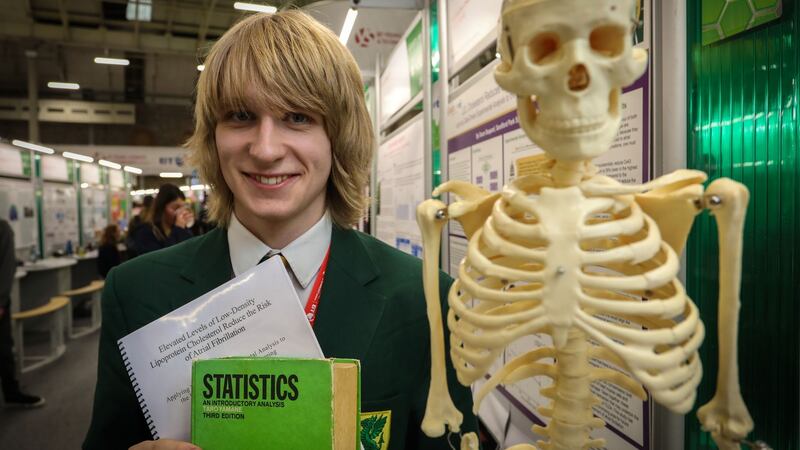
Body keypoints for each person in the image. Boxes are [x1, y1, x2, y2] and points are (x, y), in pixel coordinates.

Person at [84, 10, 476, 450]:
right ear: (213, 136)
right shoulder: (136, 292)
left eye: (297, 117)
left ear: (339, 136)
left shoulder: (423, 299)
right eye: (240, 115)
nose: (265, 149)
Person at [0, 219, 45, 408]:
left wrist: (1, 301)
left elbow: (6, 267)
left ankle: (11, 392)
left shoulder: (2, 229)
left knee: (3, 350)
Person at [130, 184, 195, 255]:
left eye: (183, 207)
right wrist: (179, 229)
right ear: (162, 208)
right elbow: (164, 257)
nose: (180, 212)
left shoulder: (183, 229)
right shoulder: (146, 232)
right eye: (175, 208)